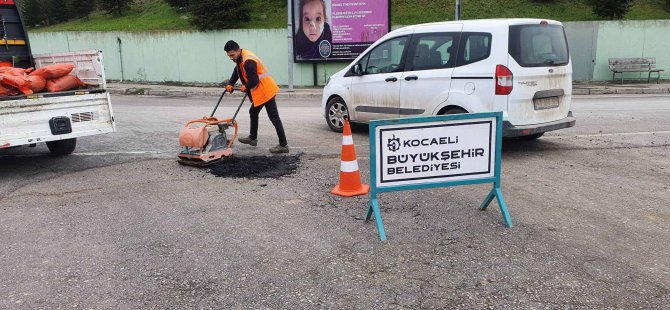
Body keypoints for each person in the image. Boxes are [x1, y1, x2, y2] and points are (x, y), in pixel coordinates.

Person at [224, 40, 289, 154]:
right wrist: (231, 83)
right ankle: (252, 138)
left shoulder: (248, 60)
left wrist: (246, 86)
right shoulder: (241, 58)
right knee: (253, 112)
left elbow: (254, 80)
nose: (231, 58)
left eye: (232, 55)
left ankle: (283, 145)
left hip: (266, 91)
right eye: (229, 56)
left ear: (238, 50)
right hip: (260, 92)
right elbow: (237, 71)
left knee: (274, 118)